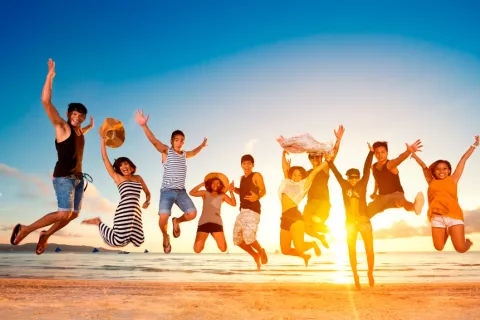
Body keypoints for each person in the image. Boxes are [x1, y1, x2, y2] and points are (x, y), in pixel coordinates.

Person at [10, 59, 94, 254]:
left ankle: (46, 235)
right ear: (68, 114)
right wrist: (50, 76)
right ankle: (26, 229)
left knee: (73, 214)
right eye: (74, 114)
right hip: (64, 177)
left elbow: (81, 134)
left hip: (79, 179)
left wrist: (90, 127)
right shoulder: (62, 127)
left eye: (81, 115)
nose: (77, 117)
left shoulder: (80, 131)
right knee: (63, 213)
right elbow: (46, 102)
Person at [134, 109, 207, 253]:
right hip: (167, 192)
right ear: (171, 141)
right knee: (163, 218)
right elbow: (154, 141)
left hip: (181, 192)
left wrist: (202, 146)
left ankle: (177, 221)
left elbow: (195, 151)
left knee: (192, 214)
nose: (179, 143)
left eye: (182, 141)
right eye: (176, 140)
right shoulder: (167, 151)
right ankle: (165, 235)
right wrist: (144, 126)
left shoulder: (185, 155)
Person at [410, 136, 479, 253]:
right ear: (434, 171)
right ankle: (447, 231)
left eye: (445, 168)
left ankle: (468, 242)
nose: (441, 171)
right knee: (439, 247)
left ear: (449, 170)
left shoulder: (453, 179)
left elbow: (463, 160)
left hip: (454, 216)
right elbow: (423, 166)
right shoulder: (431, 181)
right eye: (438, 169)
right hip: (437, 217)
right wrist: (413, 154)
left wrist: (475, 145)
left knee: (461, 249)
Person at [81, 136, 151, 247]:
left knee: (139, 241)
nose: (123, 166)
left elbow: (148, 193)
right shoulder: (118, 178)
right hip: (123, 211)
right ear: (119, 169)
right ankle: (98, 222)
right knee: (117, 241)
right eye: (121, 165)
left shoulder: (138, 178)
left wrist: (147, 201)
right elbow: (104, 158)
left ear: (131, 167)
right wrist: (102, 141)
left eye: (125, 164)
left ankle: (127, 236)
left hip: (135, 213)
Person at [285, 126, 345, 247]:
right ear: (310, 159)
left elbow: (333, 155)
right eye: (312, 157)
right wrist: (286, 163)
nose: (315, 159)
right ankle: (321, 237)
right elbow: (291, 177)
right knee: (305, 227)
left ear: (321, 157)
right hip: (310, 203)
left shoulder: (325, 168)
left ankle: (330, 233)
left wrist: (338, 139)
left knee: (316, 223)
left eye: (317, 157)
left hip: (323, 203)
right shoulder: (307, 173)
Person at [326, 144, 375, 289]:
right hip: (350, 224)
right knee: (351, 250)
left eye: (356, 177)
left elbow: (367, 169)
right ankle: (355, 276)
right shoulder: (344, 185)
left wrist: (371, 153)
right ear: (348, 178)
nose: (354, 179)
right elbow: (336, 174)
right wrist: (329, 162)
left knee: (369, 250)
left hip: (364, 221)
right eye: (351, 177)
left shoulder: (363, 184)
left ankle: (370, 273)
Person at [279, 150, 325, 266]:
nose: (296, 176)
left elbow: (315, 171)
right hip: (284, 218)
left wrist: (328, 160)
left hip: (295, 217)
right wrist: (283, 153)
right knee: (285, 250)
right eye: (294, 174)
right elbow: (285, 169)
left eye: (299, 175)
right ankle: (304, 255)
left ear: (303, 177)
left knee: (299, 247)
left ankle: (313, 244)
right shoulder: (287, 182)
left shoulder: (303, 185)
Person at [368, 140, 425, 218]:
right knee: (367, 211)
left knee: (401, 202)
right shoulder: (373, 167)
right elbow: (376, 180)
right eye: (377, 152)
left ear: (387, 153)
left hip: (395, 194)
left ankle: (414, 207)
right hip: (381, 196)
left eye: (383, 152)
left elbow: (399, 159)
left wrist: (408, 151)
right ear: (374, 154)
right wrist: (374, 192)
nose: (380, 155)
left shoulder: (390, 164)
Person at [232, 154, 268, 270]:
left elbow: (263, 190)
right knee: (237, 240)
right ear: (241, 165)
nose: (246, 165)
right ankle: (255, 255)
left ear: (252, 165)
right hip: (242, 211)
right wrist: (233, 189)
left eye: (249, 163)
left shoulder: (256, 175)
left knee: (249, 237)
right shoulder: (242, 178)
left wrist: (257, 197)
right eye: (244, 163)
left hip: (253, 211)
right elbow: (242, 192)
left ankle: (261, 250)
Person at [189, 173, 236, 253]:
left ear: (220, 185)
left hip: (216, 223)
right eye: (213, 183)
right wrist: (202, 184)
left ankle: (214, 235)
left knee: (223, 249)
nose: (215, 184)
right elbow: (192, 193)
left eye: (218, 183)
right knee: (197, 250)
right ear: (210, 184)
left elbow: (233, 204)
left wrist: (231, 192)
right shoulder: (205, 193)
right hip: (204, 223)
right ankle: (204, 239)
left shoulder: (223, 195)